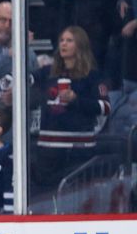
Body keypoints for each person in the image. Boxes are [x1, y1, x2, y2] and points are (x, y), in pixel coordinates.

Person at [32, 25, 110, 195]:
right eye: (61, 40)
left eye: (69, 40)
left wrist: (76, 100)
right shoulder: (47, 73)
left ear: (80, 45)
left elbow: (105, 107)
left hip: (79, 151)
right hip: (48, 150)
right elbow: (25, 80)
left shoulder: (92, 76)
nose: (63, 44)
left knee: (76, 199)